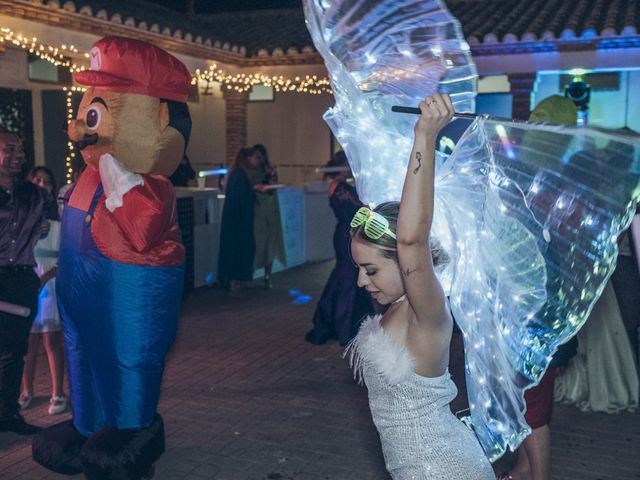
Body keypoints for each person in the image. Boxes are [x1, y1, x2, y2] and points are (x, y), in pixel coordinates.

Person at [346, 93, 494, 479]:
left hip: (444, 469)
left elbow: (411, 238)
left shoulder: (425, 311)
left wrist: (425, 135)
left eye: (372, 270)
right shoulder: (397, 308)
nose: (362, 280)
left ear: (406, 264)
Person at [0, 130, 57, 435]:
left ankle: (7, 413)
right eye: (10, 148)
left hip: (22, 280)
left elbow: (60, 217)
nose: (18, 154)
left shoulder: (34, 195)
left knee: (14, 349)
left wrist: (45, 226)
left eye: (20, 149)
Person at [306, 151, 373, 345]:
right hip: (346, 235)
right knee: (346, 279)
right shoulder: (340, 187)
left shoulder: (339, 186)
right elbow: (359, 209)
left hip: (345, 232)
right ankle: (343, 324)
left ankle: (334, 320)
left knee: (343, 277)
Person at [19, 166, 67, 416]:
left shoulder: (58, 223)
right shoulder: (17, 219)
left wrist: (45, 278)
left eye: (47, 181)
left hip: (49, 283)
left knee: (51, 340)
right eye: (36, 179)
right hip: (25, 279)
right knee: (28, 341)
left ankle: (57, 392)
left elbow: (65, 259)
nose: (41, 184)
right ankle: (25, 390)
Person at [217, 147, 260, 296]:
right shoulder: (240, 175)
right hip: (239, 221)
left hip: (234, 219)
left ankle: (235, 281)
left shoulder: (236, 173)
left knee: (235, 249)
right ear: (248, 158)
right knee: (238, 249)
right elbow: (242, 199)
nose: (257, 161)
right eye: (256, 158)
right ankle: (234, 283)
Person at [249, 144, 285, 289]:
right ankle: (249, 275)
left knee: (270, 243)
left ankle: (267, 276)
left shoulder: (267, 169)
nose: (260, 159)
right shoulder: (251, 171)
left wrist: (272, 175)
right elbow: (250, 187)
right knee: (259, 243)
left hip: (270, 209)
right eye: (257, 156)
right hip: (258, 210)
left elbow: (272, 186)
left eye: (262, 156)